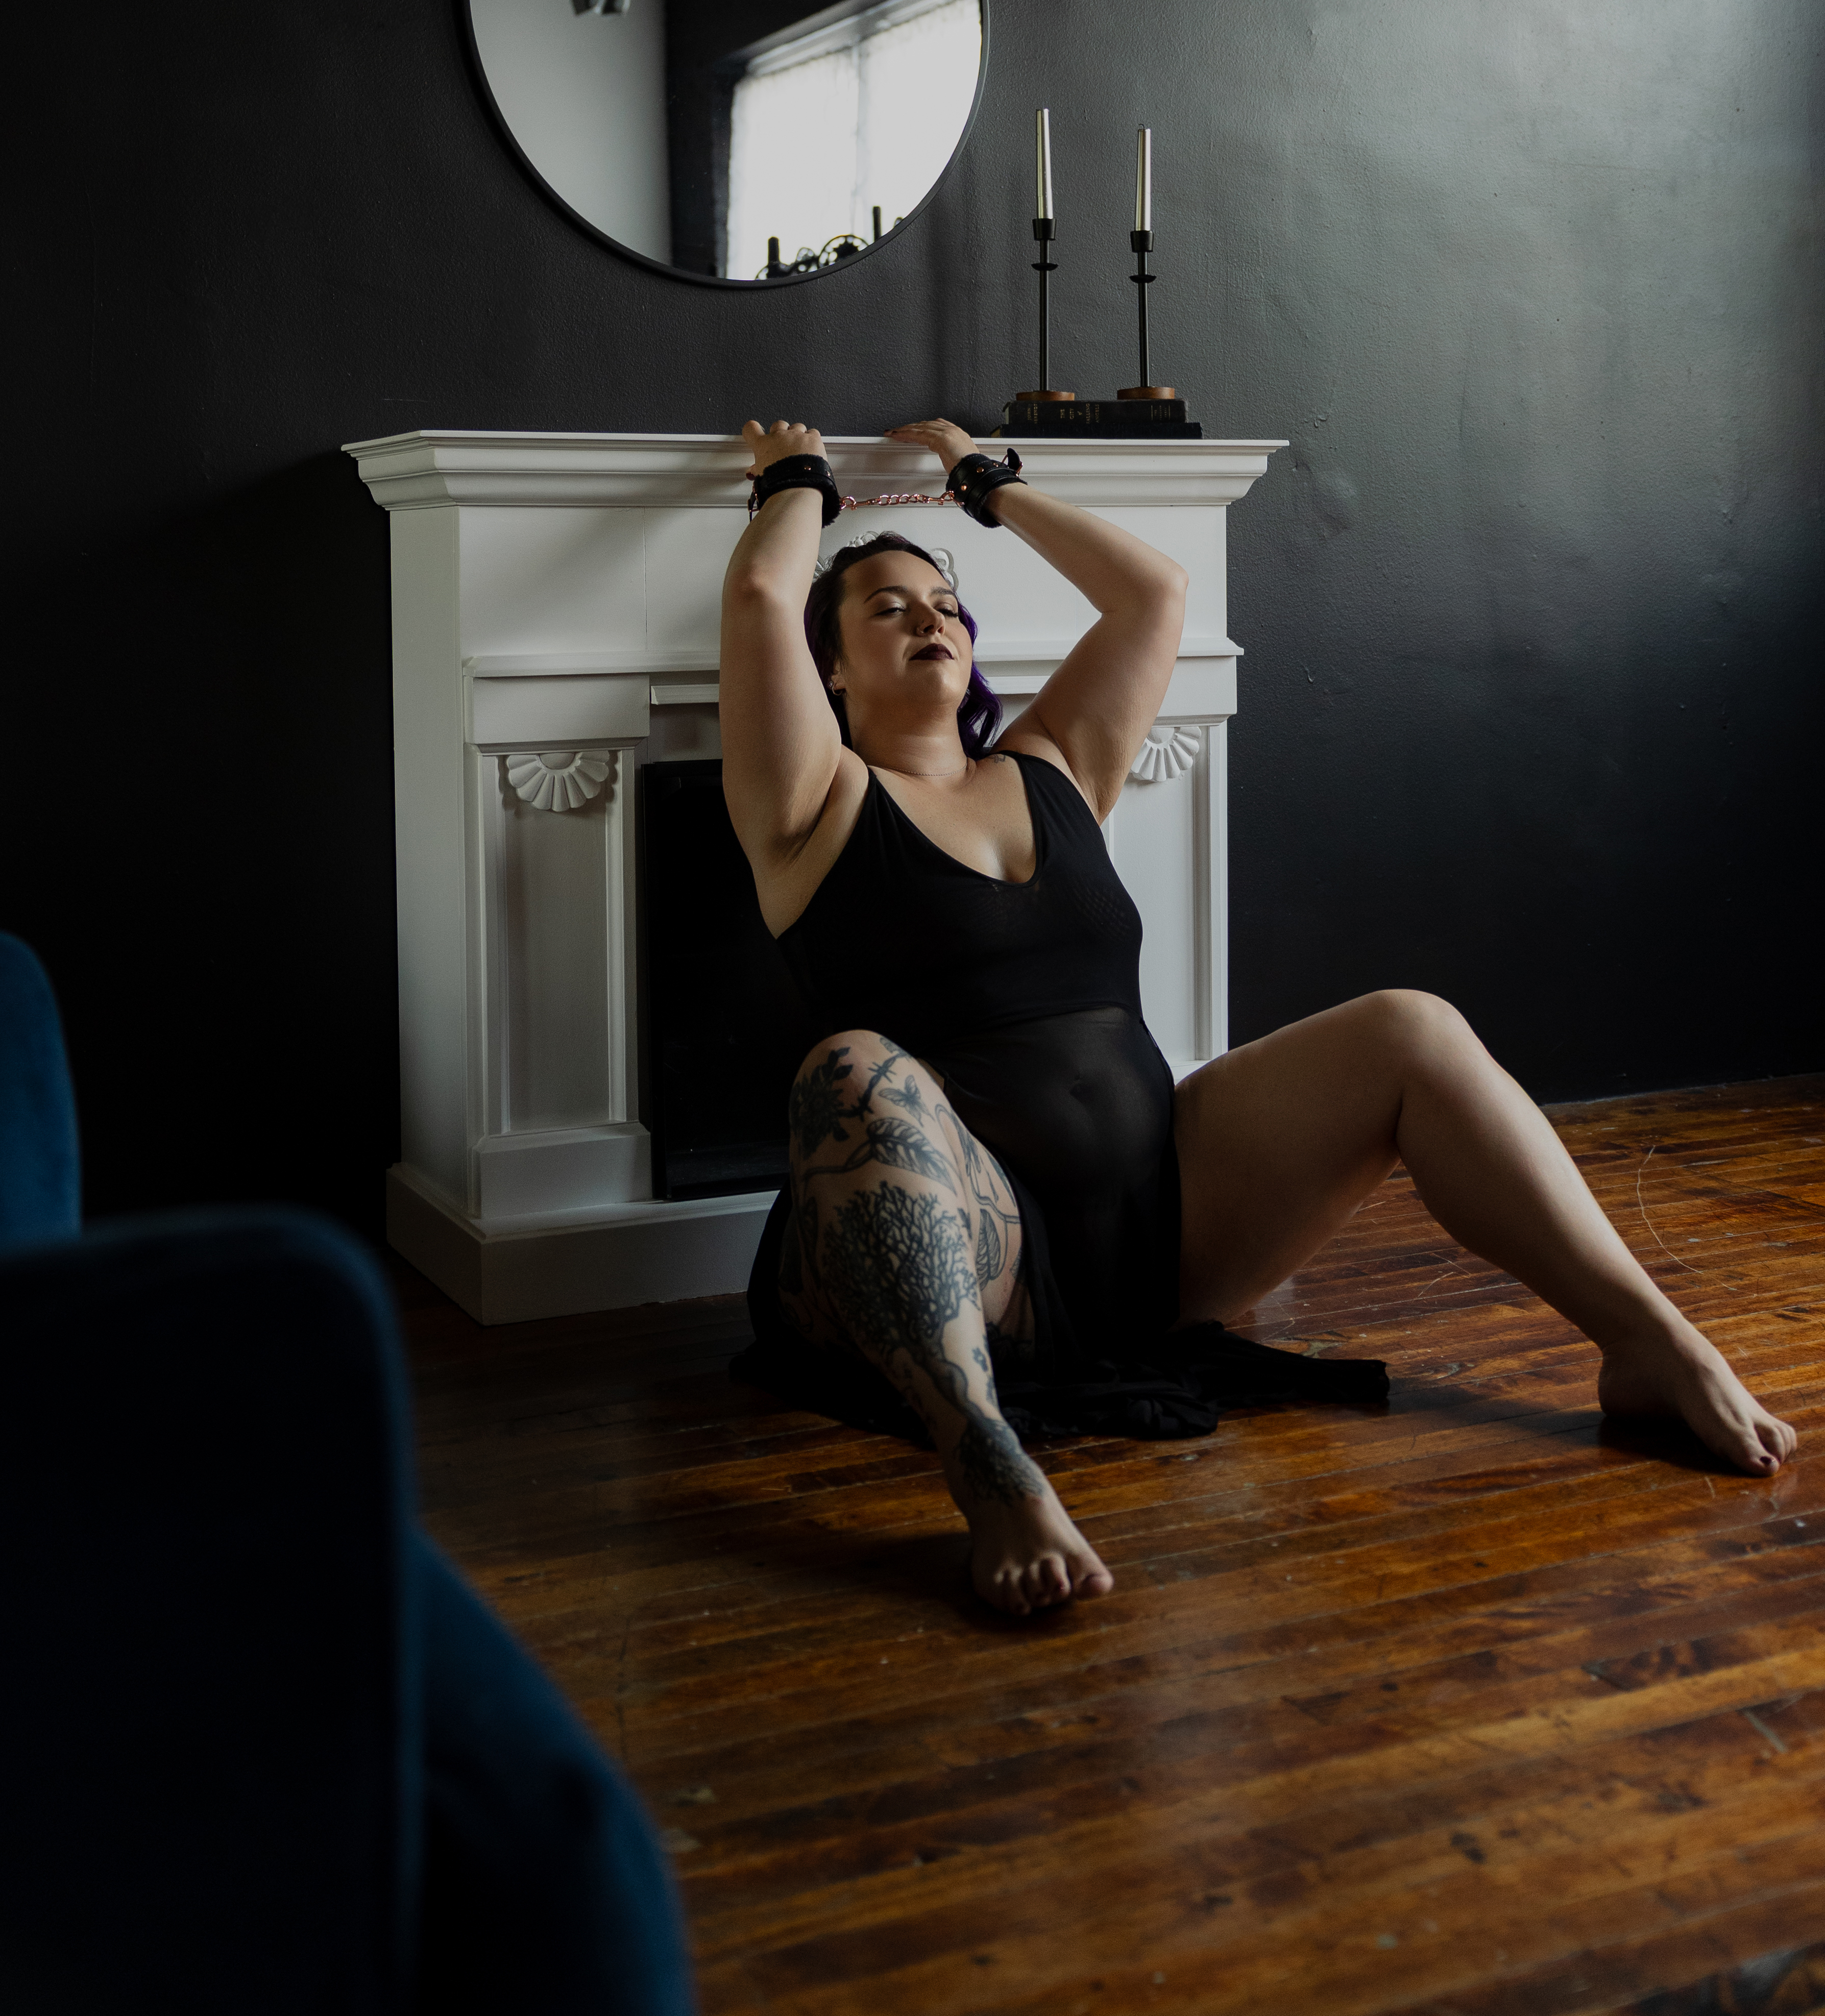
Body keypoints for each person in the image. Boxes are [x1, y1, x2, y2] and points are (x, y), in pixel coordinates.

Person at [719, 414, 1796, 1620]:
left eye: (946, 604)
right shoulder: (811, 807)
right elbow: (765, 597)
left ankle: (1647, 1340)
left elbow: (1153, 593)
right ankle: (988, 1462)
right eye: (888, 609)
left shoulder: (1054, 765)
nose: (934, 620)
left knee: (1411, 1025)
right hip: (980, 1267)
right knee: (850, 1069)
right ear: (828, 670)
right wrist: (796, 479)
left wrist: (987, 483)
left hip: (1154, 1241)